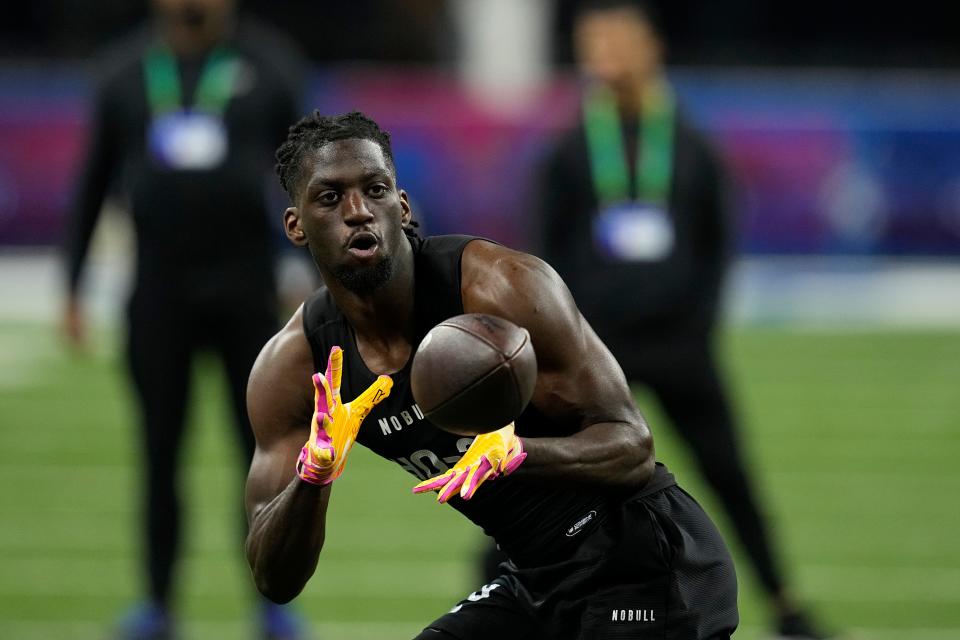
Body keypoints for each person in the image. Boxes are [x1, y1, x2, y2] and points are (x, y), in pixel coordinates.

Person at [244, 110, 739, 639]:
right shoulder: (297, 366)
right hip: (536, 577)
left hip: (643, 562)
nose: (359, 211)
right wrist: (311, 479)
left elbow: (633, 447)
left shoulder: (500, 287)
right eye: (330, 197)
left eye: (376, 189)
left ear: (403, 205)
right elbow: (274, 578)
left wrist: (519, 453)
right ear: (296, 225)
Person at [535, 2, 829, 638]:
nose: (603, 58)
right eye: (593, 45)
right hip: (596, 350)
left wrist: (698, 324)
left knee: (729, 473)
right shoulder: (570, 147)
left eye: (616, 43)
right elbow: (545, 250)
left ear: (650, 48)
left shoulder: (691, 142)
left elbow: (717, 242)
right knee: (543, 475)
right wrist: (567, 339)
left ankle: (786, 605)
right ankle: (495, 606)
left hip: (678, 343)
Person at [61, 0, 304, 637]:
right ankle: (157, 604)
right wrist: (72, 288)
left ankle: (270, 602)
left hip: (249, 295)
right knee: (159, 454)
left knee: (264, 456)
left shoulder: (270, 66)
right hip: (157, 295)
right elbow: (94, 182)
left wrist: (315, 274)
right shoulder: (123, 72)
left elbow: (311, 180)